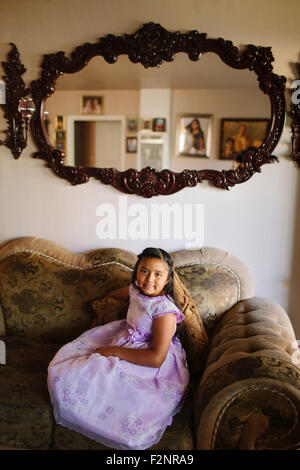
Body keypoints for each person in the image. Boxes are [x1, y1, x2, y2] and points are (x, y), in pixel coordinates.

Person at [47, 247, 190, 450]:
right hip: (125, 338)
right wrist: (102, 309)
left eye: (158, 274)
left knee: (112, 379)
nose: (149, 279)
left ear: (167, 279)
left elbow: (156, 358)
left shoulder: (164, 311)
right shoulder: (135, 290)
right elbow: (116, 294)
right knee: (75, 370)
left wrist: (113, 351)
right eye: (144, 271)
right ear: (136, 272)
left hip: (150, 359)